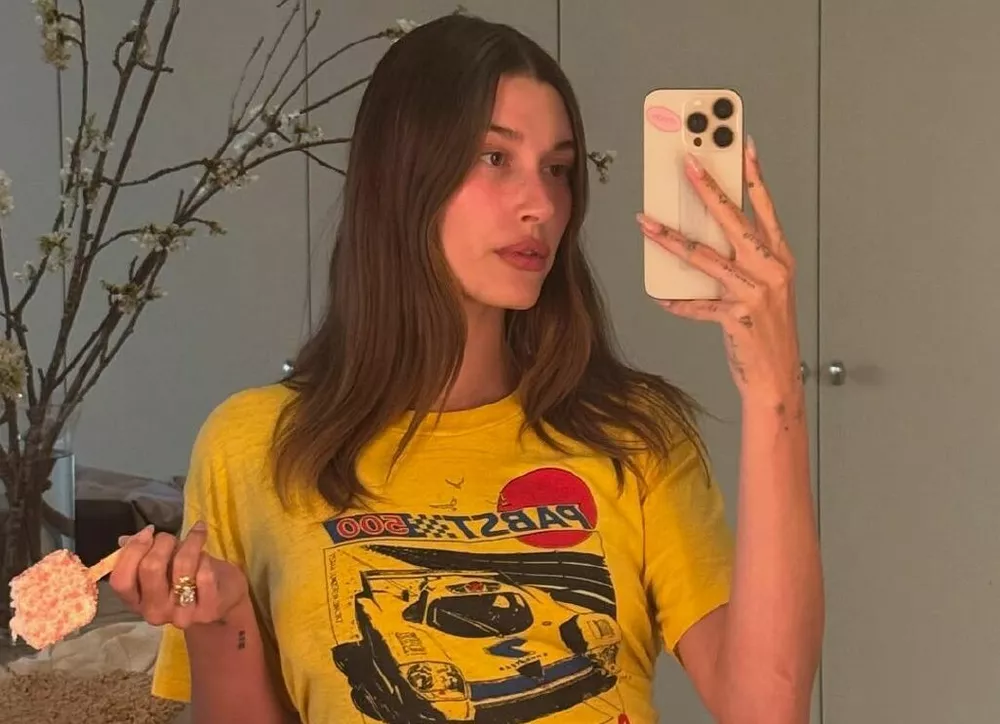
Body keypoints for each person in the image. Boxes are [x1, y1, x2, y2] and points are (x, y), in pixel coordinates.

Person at [109, 12, 823, 724]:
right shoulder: (253, 445)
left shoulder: (634, 435)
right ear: (402, 175)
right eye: (494, 157)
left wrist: (775, 392)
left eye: (558, 169)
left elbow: (767, 709)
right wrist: (217, 619)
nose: (542, 204)